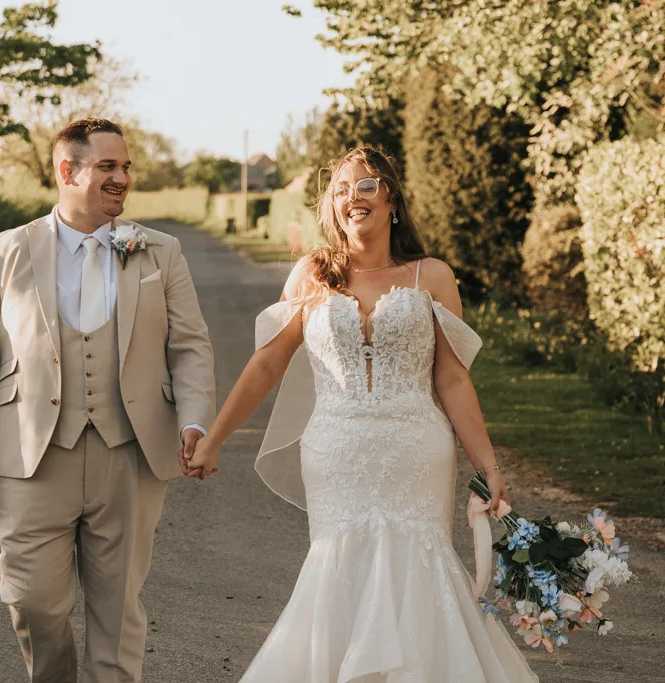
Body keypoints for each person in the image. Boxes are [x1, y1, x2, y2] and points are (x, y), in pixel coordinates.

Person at [184, 146, 539, 682]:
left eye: (367, 185)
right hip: (335, 450)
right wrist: (213, 439)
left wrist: (487, 465)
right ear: (331, 206)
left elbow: (452, 378)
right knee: (338, 569)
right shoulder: (311, 275)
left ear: (391, 198)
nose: (354, 197)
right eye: (342, 189)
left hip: (415, 450)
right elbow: (266, 365)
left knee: (420, 568)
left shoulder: (432, 276)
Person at [0, 117, 215, 683]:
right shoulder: (6, 251)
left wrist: (196, 421)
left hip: (130, 452)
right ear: (67, 171)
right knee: (32, 602)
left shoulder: (161, 253)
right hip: (30, 457)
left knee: (118, 611)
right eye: (108, 167)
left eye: (126, 168)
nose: (122, 178)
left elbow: (190, 346)